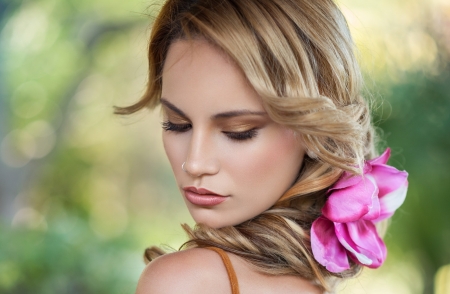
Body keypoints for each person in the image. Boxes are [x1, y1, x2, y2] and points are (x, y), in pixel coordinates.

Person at [115, 0, 409, 293]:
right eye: (176, 123)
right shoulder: (317, 282)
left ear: (314, 131)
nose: (195, 163)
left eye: (238, 132)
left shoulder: (185, 282)